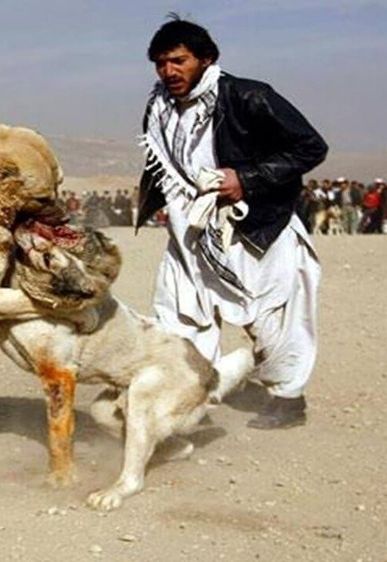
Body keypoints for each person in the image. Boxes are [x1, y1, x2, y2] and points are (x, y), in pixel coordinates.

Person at [135, 15, 328, 429]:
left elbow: (310, 146)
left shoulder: (248, 96)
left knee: (271, 315)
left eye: (179, 61)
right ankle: (190, 398)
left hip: (253, 227)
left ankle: (287, 397)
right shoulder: (159, 107)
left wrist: (247, 178)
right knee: (180, 314)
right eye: (161, 63)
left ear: (206, 59)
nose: (169, 72)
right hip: (189, 232)